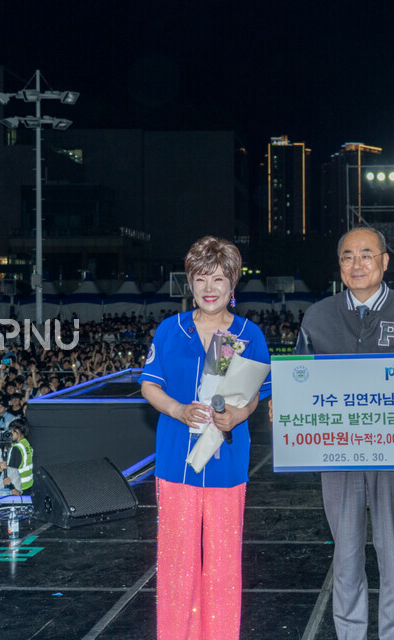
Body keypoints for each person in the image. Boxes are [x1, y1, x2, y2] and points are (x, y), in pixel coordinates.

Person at [289, 227, 394, 640]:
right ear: (339, 264)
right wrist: (287, 405)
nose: (356, 264)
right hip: (336, 453)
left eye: (365, 254)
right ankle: (351, 632)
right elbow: (300, 378)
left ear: (384, 261)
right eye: (347, 256)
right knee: (345, 552)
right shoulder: (317, 316)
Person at [139, 236, 270, 640]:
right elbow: (149, 386)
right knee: (177, 560)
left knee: (223, 563)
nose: (209, 288)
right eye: (200, 279)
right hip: (176, 459)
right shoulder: (169, 330)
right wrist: (178, 409)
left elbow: (258, 396)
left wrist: (238, 415)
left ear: (233, 285)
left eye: (218, 279)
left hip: (227, 463)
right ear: (189, 284)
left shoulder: (250, 334)